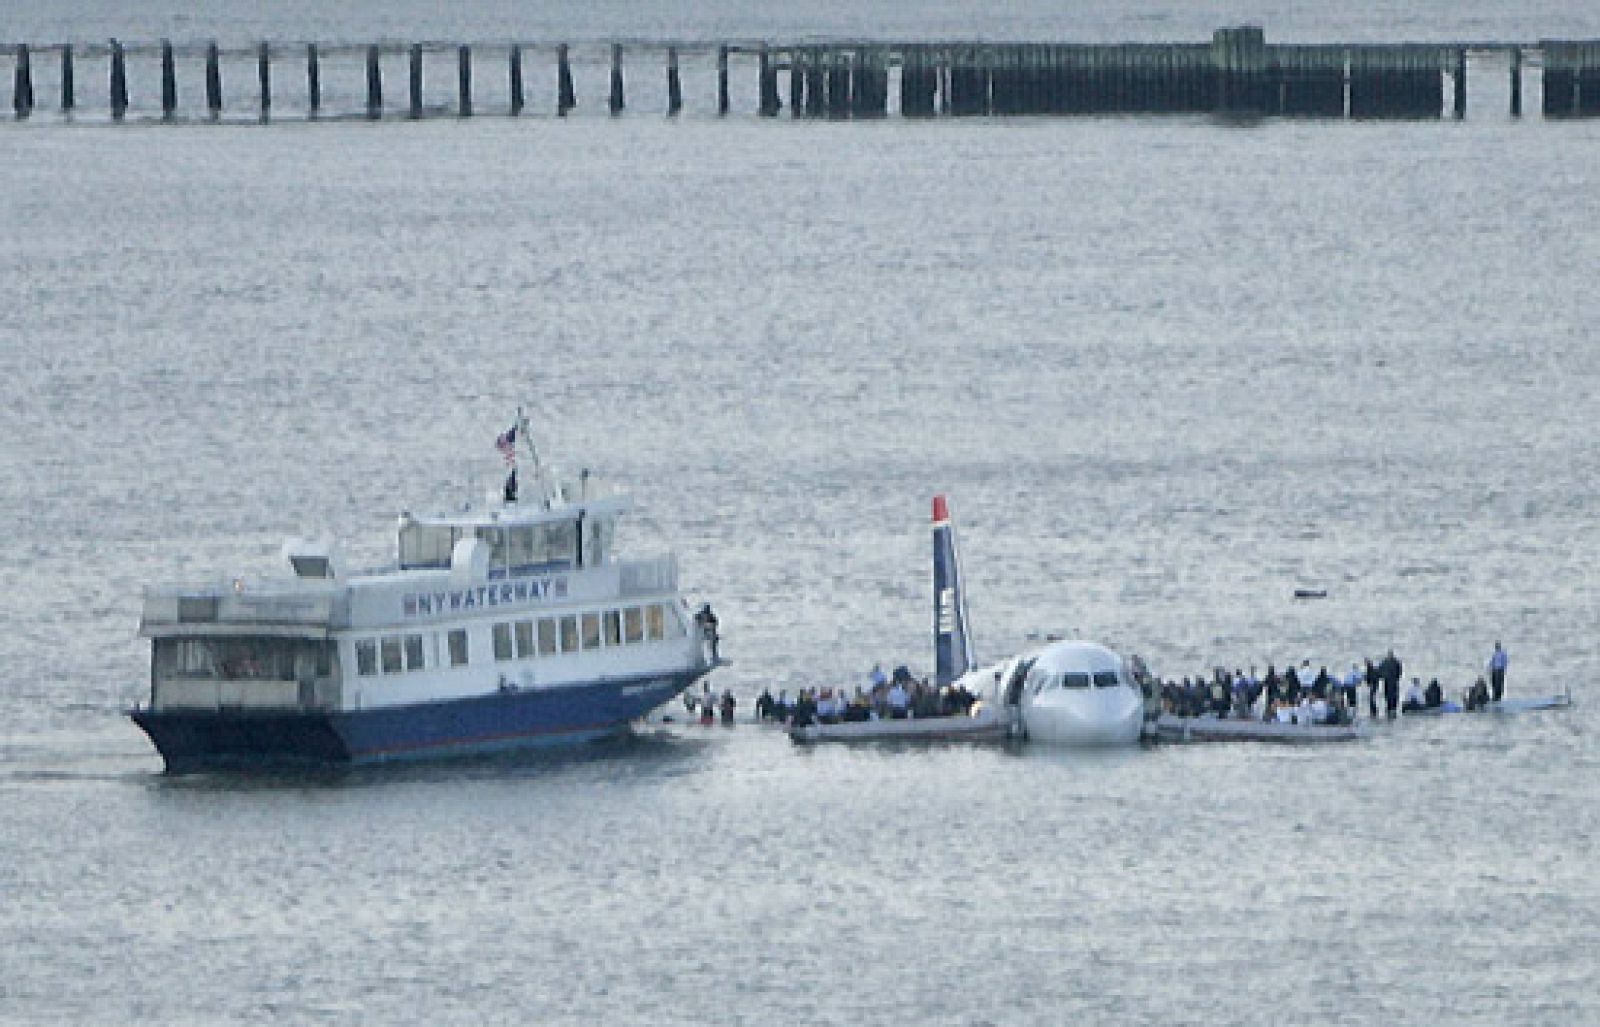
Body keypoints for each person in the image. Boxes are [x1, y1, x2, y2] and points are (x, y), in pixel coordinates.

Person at [1379, 649, 1403, 719]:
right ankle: (1390, 708)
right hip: (1387, 681)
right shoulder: (1385, 662)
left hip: (1393, 681)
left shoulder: (1395, 662)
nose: (1390, 655)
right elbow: (1380, 670)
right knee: (1388, 694)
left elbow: (1399, 671)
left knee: (1393, 695)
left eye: (1390, 654)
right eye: (1389, 654)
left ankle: (1393, 708)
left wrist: (1397, 677)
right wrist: (1382, 677)